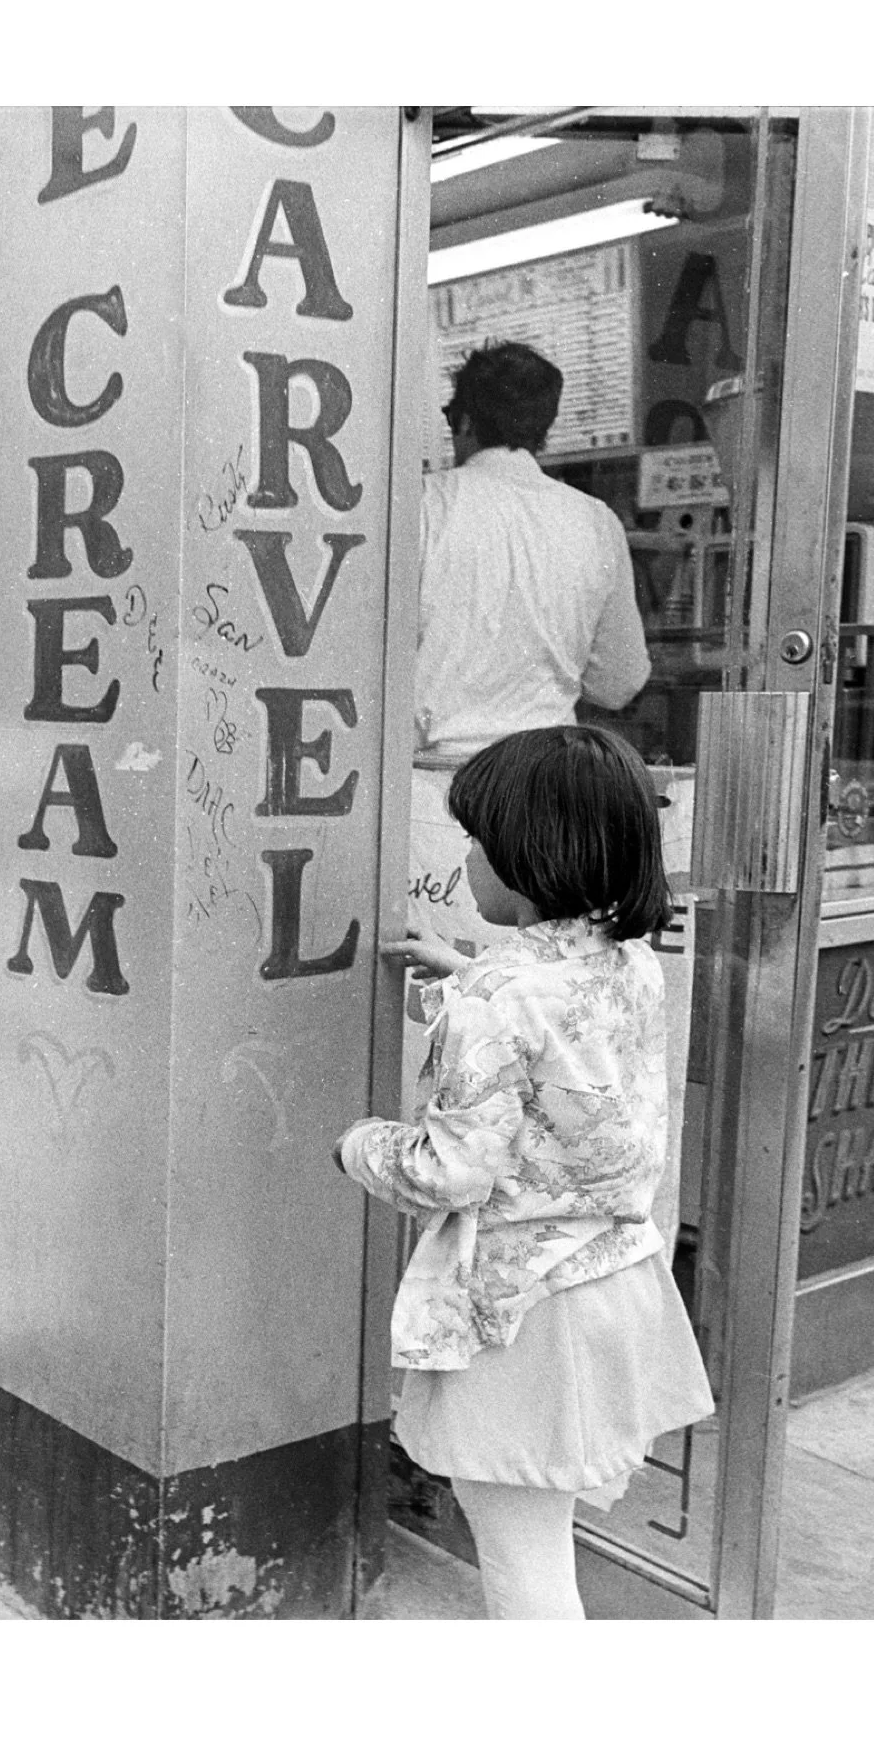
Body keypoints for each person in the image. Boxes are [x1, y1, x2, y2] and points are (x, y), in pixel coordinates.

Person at [338, 725, 715, 1620]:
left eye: (474, 838)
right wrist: (465, 971)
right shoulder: (628, 964)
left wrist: (357, 1142)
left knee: (520, 1563)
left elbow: (449, 1173)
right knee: (540, 1541)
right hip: (616, 1287)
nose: (465, 856)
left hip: (527, 1320)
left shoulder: (498, 1000)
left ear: (526, 856)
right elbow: (565, 1048)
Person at [417, 343, 650, 764]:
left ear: (465, 420)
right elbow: (620, 681)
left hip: (430, 782)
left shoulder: (422, 503)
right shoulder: (595, 521)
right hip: (545, 785)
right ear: (543, 429)